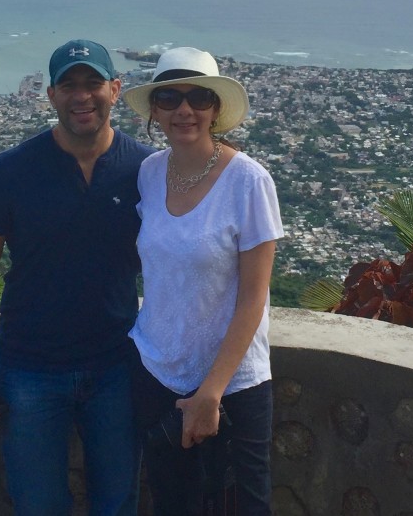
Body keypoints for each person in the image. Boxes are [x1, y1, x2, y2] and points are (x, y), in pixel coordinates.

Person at [0, 39, 155, 516]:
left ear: (116, 88)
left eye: (93, 84)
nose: (81, 96)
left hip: (115, 366)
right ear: (50, 95)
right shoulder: (11, 171)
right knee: (38, 505)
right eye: (69, 85)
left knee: (118, 502)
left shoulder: (146, 170)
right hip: (30, 367)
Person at [122, 47, 283, 515]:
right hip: (157, 371)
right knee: (173, 506)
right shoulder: (150, 173)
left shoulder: (249, 182)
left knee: (243, 507)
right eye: (169, 98)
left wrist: (210, 392)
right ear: (154, 110)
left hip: (234, 386)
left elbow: (254, 298)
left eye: (198, 98)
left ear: (216, 109)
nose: (184, 110)